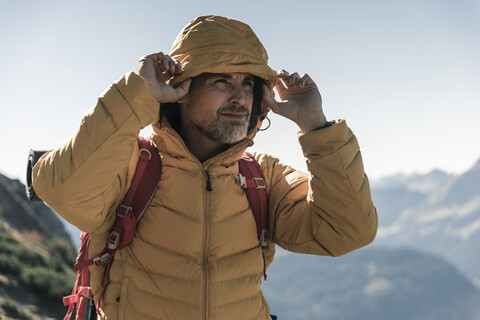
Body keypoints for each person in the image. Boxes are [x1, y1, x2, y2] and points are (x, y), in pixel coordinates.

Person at [32, 15, 378, 320]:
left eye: (247, 84)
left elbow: (346, 231)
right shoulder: (130, 165)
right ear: (181, 90)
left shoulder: (263, 177)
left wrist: (316, 124)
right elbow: (62, 190)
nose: (240, 98)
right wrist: (139, 92)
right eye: (221, 82)